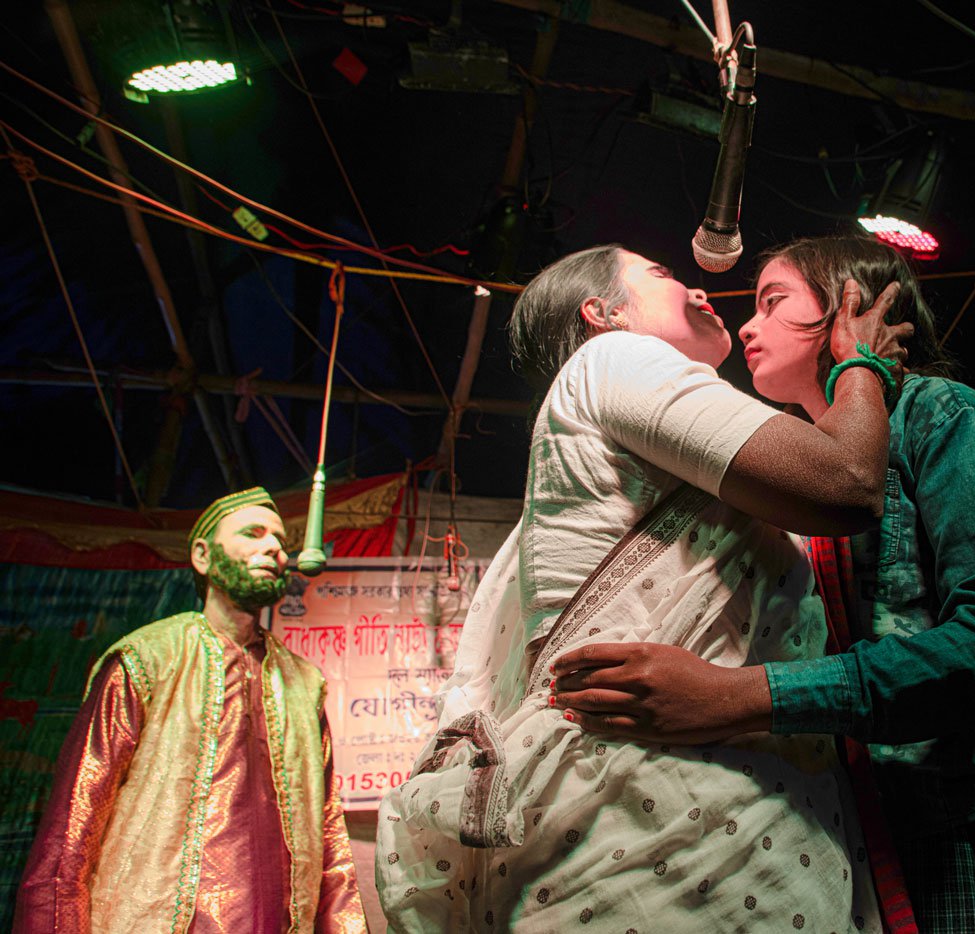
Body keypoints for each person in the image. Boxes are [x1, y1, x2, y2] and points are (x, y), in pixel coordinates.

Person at [375, 245, 913, 931]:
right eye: (661, 275)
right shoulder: (615, 361)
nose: (698, 288)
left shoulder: (628, 437)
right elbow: (847, 483)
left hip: (663, 819)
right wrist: (860, 365)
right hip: (664, 821)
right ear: (604, 314)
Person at [550, 235, 975, 931]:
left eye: (773, 302)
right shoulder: (799, 472)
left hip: (963, 846)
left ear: (851, 308)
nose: (745, 325)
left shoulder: (946, 417)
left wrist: (739, 696)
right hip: (843, 841)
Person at [15, 487, 365, 932]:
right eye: (253, 534)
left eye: (280, 540)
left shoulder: (302, 684)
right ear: (203, 555)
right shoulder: (147, 660)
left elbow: (329, 834)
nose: (275, 548)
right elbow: (71, 834)